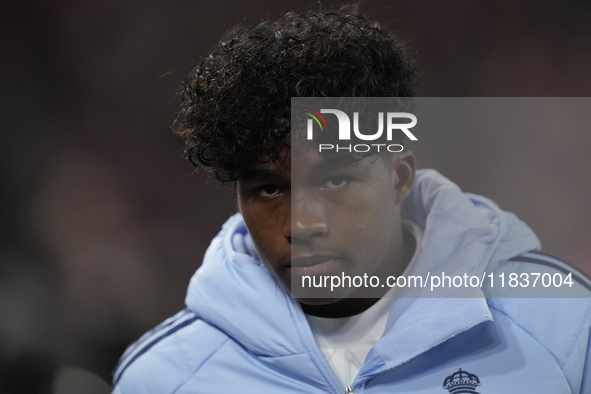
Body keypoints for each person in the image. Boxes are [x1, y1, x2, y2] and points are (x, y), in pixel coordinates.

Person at [111, 6, 591, 394]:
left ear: (399, 176)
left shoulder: (561, 323)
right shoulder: (164, 378)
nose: (300, 223)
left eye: (336, 181)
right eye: (269, 189)